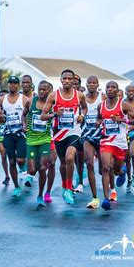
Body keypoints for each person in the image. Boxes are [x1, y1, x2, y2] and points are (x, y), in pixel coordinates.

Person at [41, 69, 87, 205]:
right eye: (64, 78)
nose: (67, 81)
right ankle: (64, 184)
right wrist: (55, 114)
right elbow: (43, 116)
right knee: (62, 163)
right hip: (59, 133)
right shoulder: (53, 96)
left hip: (74, 131)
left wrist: (82, 116)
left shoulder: (79, 95)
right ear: (60, 80)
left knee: (70, 158)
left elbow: (84, 108)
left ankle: (68, 188)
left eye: (69, 79)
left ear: (73, 81)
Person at [97, 81, 134, 210]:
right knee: (105, 167)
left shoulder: (124, 105)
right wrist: (97, 122)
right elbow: (99, 118)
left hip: (120, 143)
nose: (110, 90)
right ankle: (106, 198)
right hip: (106, 140)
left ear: (117, 91)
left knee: (116, 170)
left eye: (113, 88)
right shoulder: (101, 105)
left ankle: (122, 173)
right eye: (108, 88)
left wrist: (122, 120)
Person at [22, 80, 53, 206]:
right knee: (32, 170)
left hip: (45, 139)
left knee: (43, 168)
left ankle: (40, 194)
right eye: (40, 89)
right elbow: (23, 114)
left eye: (45, 89)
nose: (42, 92)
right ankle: (30, 173)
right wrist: (24, 124)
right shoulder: (31, 101)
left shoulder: (52, 103)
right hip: (31, 139)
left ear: (49, 91)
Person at [0, 76, 30, 197]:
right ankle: (16, 186)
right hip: (8, 134)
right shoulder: (2, 99)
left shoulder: (24, 99)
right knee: (11, 161)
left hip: (21, 134)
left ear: (18, 85)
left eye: (15, 83)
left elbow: (29, 113)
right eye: (10, 83)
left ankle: (24, 166)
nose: (12, 85)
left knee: (20, 160)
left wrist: (26, 124)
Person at [81, 76, 104, 208]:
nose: (91, 85)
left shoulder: (103, 97)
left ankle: (110, 190)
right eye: (89, 83)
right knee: (89, 164)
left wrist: (100, 121)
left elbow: (108, 112)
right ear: (86, 84)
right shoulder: (82, 98)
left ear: (97, 84)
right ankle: (95, 198)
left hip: (101, 136)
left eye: (94, 83)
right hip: (87, 136)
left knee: (103, 169)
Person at [0, 89, 11, 185]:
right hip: (1, 133)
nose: (2, 98)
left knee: (13, 157)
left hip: (12, 133)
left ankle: (19, 170)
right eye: (1, 96)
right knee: (3, 155)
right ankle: (7, 176)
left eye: (4, 96)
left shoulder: (11, 107)